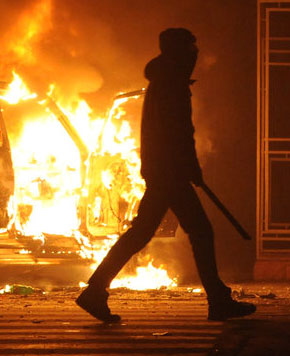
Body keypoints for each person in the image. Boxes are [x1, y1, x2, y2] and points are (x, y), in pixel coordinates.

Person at [76, 28, 256, 323]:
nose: (195, 53)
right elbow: (179, 132)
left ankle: (95, 290)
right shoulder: (171, 83)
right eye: (190, 47)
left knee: (143, 233)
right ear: (177, 51)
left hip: (165, 170)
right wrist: (190, 168)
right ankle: (218, 301)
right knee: (198, 231)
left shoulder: (165, 80)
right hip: (170, 172)